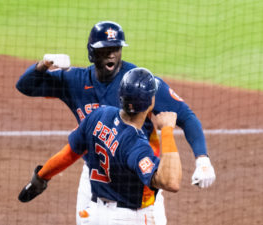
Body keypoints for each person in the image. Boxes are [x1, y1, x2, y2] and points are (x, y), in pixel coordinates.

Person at [16, 21, 216, 225]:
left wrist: (202, 159)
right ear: (92, 53)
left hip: (139, 174)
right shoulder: (76, 80)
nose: (112, 54)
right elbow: (25, 87)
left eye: (116, 49)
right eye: (105, 49)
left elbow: (186, 116)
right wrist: (44, 65)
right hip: (97, 177)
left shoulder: (137, 83)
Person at [18, 68, 183, 225]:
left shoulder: (98, 115)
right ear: (150, 102)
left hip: (95, 214)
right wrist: (167, 130)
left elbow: (69, 154)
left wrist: (41, 177)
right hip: (129, 219)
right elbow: (171, 182)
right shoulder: (136, 144)